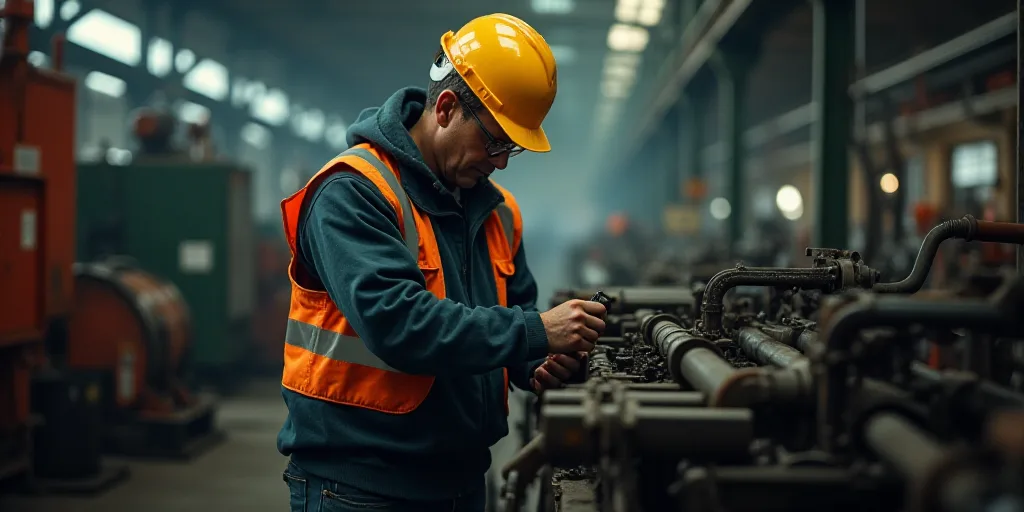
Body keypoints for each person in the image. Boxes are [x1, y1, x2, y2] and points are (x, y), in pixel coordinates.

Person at [277, 13, 607, 512]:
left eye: (511, 148)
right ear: (447, 107)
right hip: (360, 489)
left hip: (463, 480)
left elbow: (512, 321)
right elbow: (399, 326)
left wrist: (537, 364)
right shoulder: (354, 192)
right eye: (495, 140)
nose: (500, 161)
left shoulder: (498, 212)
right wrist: (536, 332)